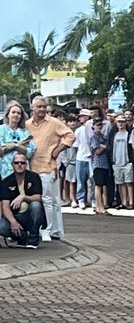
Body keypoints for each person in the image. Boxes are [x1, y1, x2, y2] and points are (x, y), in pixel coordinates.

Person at [26, 95, 74, 242]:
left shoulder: (53, 122)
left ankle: (47, 229)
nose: (41, 109)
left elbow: (70, 135)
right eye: (38, 106)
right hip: (31, 167)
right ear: (32, 108)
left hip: (48, 166)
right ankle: (38, 228)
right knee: (35, 201)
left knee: (48, 200)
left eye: (43, 106)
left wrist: (58, 150)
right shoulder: (27, 124)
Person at [0, 153, 45, 248]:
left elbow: (38, 197)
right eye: (16, 163)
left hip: (30, 215)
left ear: (26, 164)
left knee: (36, 205)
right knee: (1, 226)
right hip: (15, 215)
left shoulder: (34, 177)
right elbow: (5, 206)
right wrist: (13, 222)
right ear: (12, 164)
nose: (19, 165)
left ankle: (33, 239)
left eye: (22, 163)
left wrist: (23, 197)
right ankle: (22, 237)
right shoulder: (6, 181)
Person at [0, 102, 36, 180]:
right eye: (13, 112)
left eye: (19, 113)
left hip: (22, 173)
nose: (16, 115)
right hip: (4, 173)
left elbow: (30, 152)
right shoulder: (1, 130)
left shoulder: (25, 132)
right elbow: (1, 151)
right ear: (7, 115)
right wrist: (19, 146)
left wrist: (15, 146)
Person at [110, 114, 134, 209]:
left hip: (127, 161)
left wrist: (131, 160)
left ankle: (131, 202)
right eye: (119, 122)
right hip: (116, 162)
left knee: (129, 182)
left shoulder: (129, 134)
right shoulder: (114, 135)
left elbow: (131, 148)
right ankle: (124, 202)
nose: (120, 124)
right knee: (120, 183)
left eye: (122, 122)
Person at [88, 117, 110, 214]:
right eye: (97, 125)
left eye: (100, 125)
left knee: (104, 185)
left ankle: (102, 205)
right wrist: (103, 147)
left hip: (105, 164)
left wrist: (103, 146)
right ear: (93, 126)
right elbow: (97, 151)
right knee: (98, 185)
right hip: (98, 164)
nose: (99, 127)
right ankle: (99, 205)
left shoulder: (103, 137)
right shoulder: (93, 138)